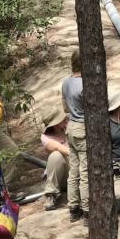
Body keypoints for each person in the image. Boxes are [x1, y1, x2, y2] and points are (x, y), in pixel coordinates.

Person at [62, 49, 88, 225]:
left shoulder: (66, 83)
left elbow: (65, 108)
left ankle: (73, 208)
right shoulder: (85, 84)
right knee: (85, 171)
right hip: (83, 127)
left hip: (70, 126)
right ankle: (87, 210)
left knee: (74, 170)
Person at [40, 108, 69, 211]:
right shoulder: (46, 137)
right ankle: (50, 194)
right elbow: (58, 148)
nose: (65, 118)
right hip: (65, 174)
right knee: (56, 155)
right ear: (55, 124)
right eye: (62, 118)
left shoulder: (70, 126)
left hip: (78, 170)